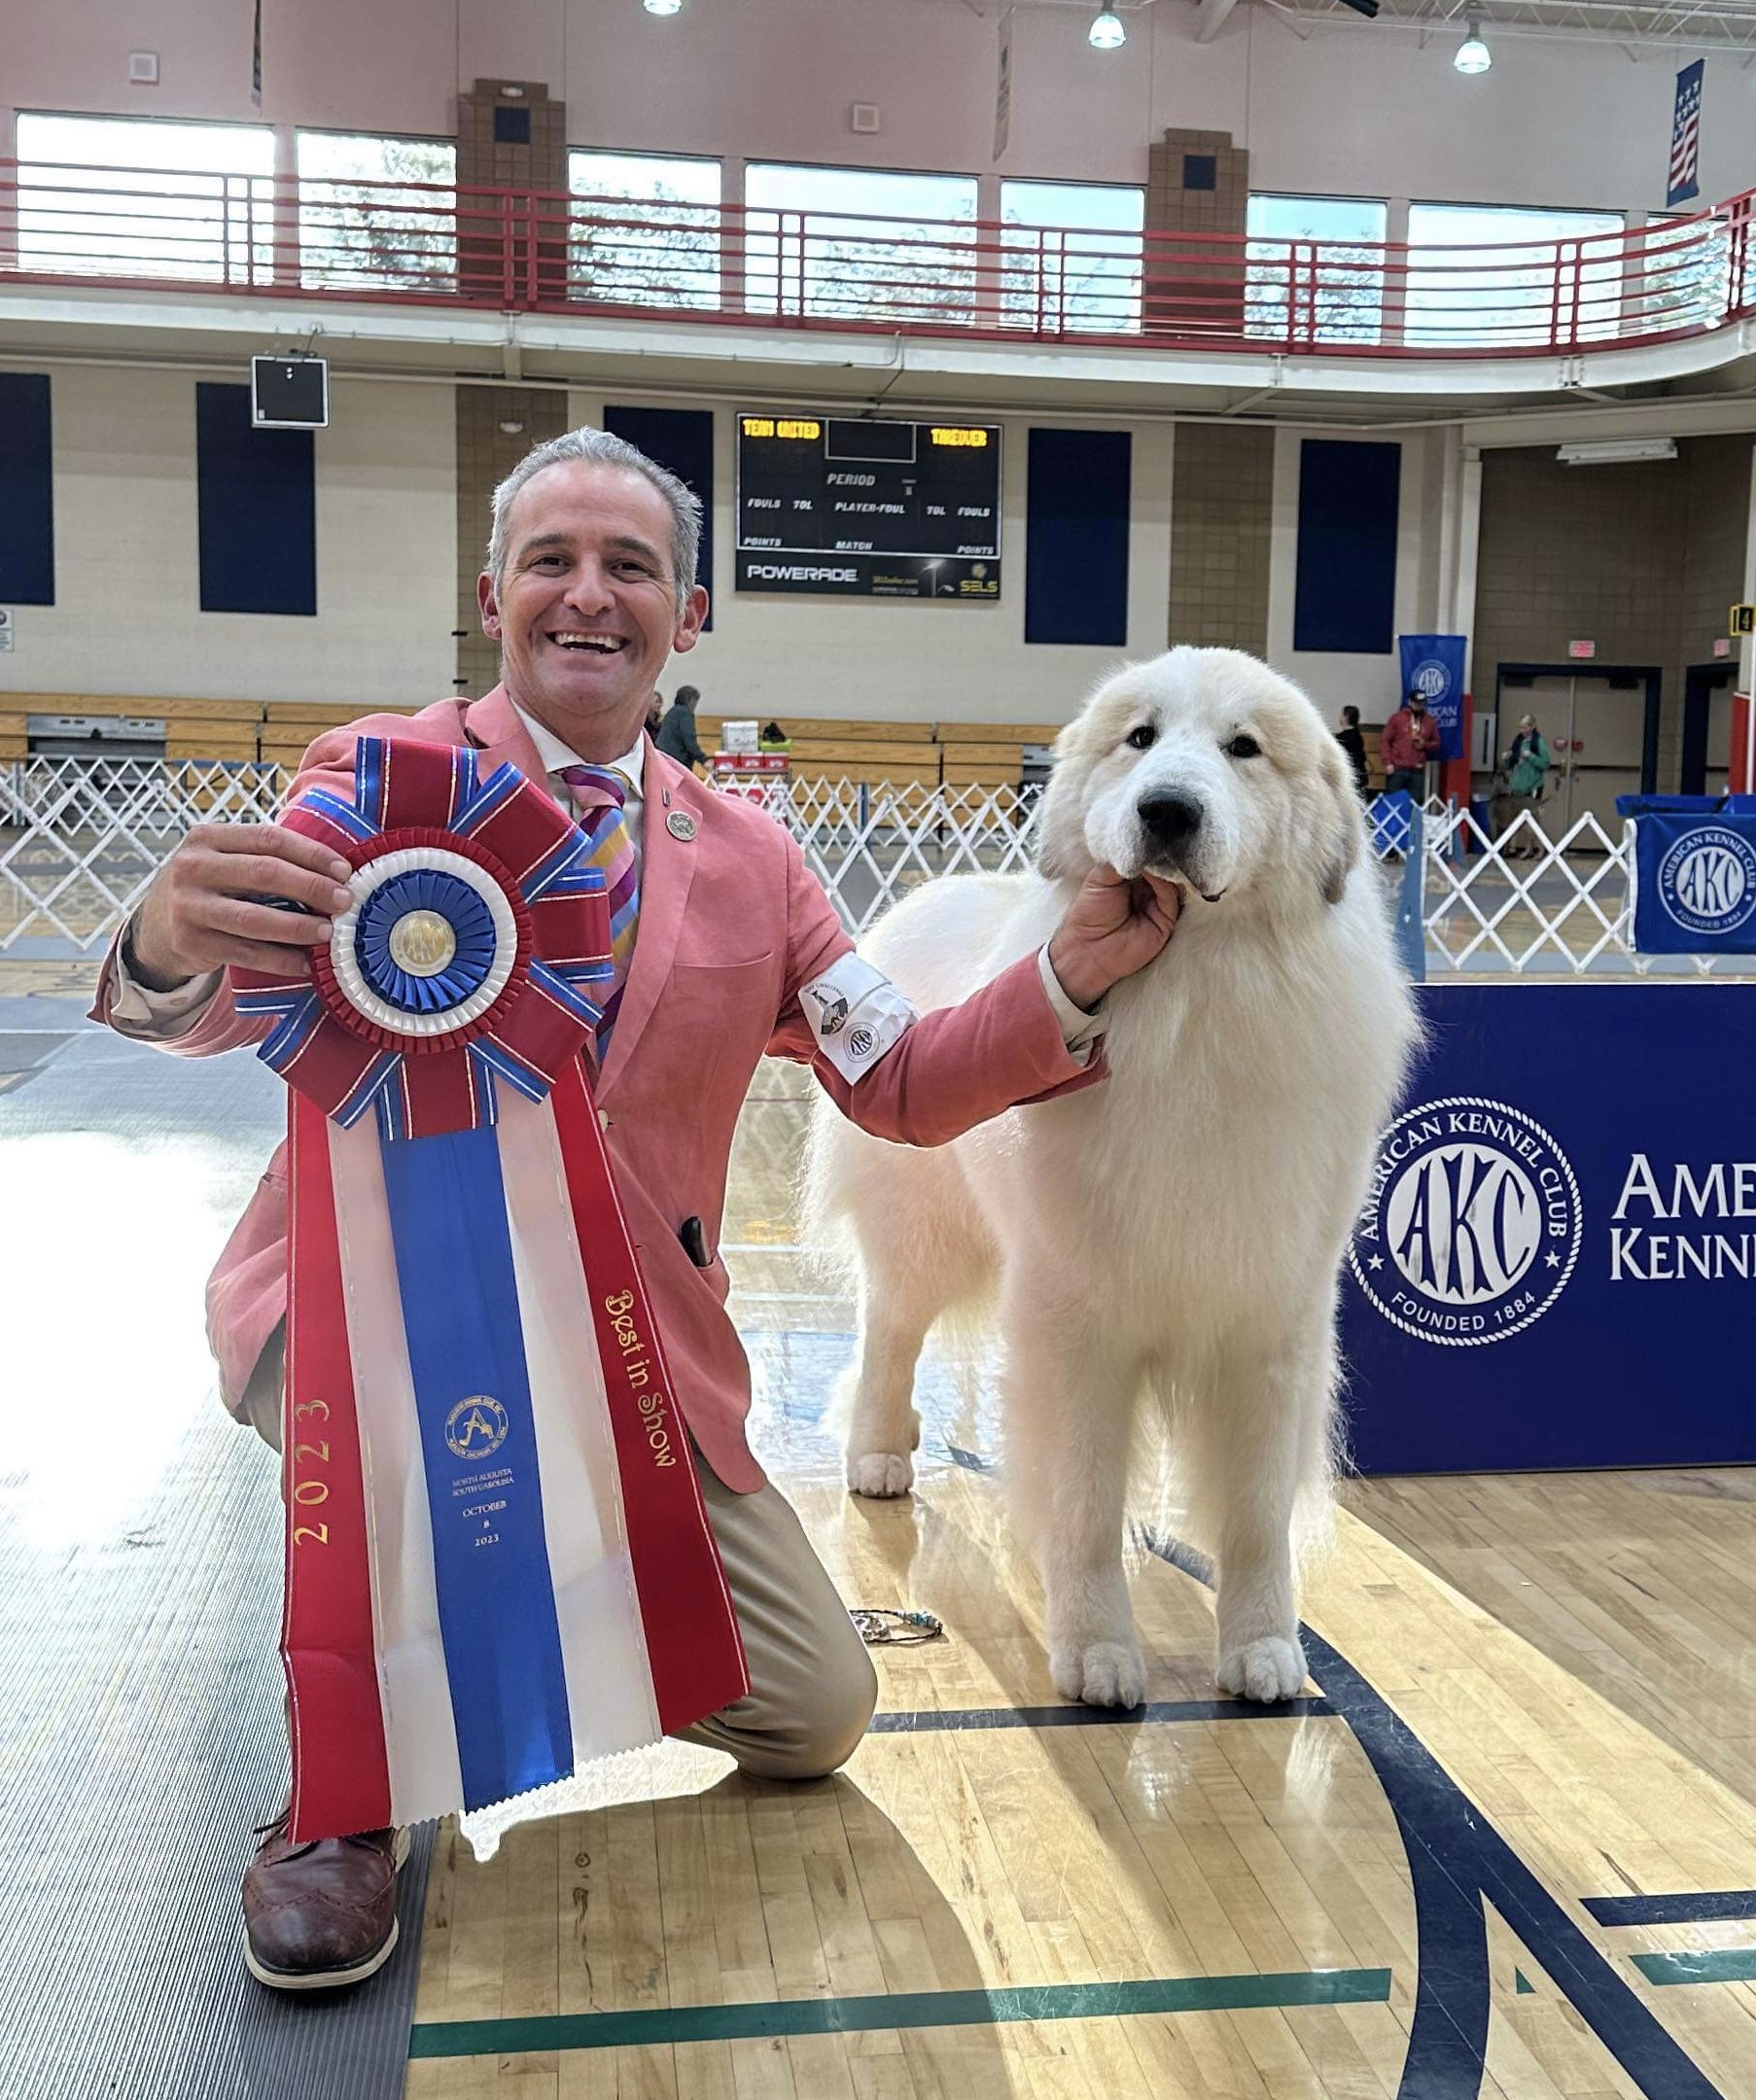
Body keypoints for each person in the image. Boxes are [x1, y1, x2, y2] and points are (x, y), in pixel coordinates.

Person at [93, 425, 1180, 1993]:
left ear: (691, 612)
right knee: (403, 1437)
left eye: (630, 567)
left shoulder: (755, 863)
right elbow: (214, 1006)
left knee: (814, 1711)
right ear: (492, 597)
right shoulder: (372, 777)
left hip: (634, 1363)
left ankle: (520, 1634)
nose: (588, 595)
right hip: (366, 1322)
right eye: (550, 561)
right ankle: (346, 1791)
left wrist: (1064, 979)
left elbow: (899, 1076)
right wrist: (161, 936)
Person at [1493, 712, 1552, 858]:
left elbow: (1545, 763)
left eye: (1525, 727)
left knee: (1531, 820)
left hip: (1532, 786)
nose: (1523, 730)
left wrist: (1530, 756)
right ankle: (1523, 848)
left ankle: (1539, 848)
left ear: (1533, 726)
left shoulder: (1539, 742)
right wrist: (1507, 757)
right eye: (1521, 727)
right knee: (1519, 820)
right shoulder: (1518, 742)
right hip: (1518, 787)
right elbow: (1511, 764)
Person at [1379, 685, 1442, 797]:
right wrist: (1387, 763)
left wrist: (1424, 745)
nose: (1420, 707)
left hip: (1417, 770)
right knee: (1394, 801)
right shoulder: (1397, 718)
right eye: (1417, 704)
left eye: (1422, 704)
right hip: (1397, 768)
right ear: (1410, 702)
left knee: (1414, 803)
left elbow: (1437, 744)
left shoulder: (1429, 721)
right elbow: (1385, 741)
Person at [654, 682, 709, 770]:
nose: (695, 706)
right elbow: (690, 740)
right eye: (695, 702)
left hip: (663, 759)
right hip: (677, 762)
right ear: (690, 700)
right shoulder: (685, 714)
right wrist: (704, 760)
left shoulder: (671, 712)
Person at [1335, 705, 1369, 797]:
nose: (1339, 717)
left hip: (1348, 776)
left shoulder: (1341, 738)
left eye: (1341, 714)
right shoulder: (1358, 736)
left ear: (1346, 717)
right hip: (1359, 775)